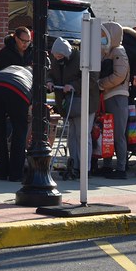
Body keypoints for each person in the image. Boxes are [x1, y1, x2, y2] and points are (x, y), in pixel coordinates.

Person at [48, 37, 97, 179]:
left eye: (60, 56)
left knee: (82, 135)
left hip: (83, 101)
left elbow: (91, 78)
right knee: (72, 136)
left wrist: (74, 86)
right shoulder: (56, 61)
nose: (58, 58)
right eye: (56, 56)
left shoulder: (81, 58)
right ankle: (74, 165)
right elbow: (51, 74)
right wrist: (49, 81)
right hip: (67, 103)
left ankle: (84, 168)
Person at [0, 65, 33, 182]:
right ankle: (16, 174)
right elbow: (32, 105)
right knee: (19, 131)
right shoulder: (32, 77)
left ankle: (1, 172)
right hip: (17, 90)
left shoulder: (11, 68)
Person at [97, 22, 130, 179]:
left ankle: (121, 167)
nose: (102, 38)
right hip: (108, 97)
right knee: (109, 134)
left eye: (104, 35)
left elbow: (119, 75)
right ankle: (108, 165)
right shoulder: (108, 52)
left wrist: (101, 84)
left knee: (118, 135)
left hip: (117, 97)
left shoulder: (118, 52)